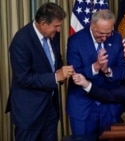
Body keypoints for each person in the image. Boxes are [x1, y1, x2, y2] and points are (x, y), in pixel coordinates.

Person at [5, 2, 74, 141]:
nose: (59, 30)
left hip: (50, 109)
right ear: (43, 23)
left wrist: (62, 73)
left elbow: (55, 60)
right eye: (56, 26)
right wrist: (55, 77)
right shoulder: (21, 41)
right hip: (29, 112)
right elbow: (23, 78)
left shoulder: (53, 34)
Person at [66, 9, 125, 138]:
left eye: (108, 33)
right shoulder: (75, 41)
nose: (105, 37)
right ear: (92, 25)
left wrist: (107, 70)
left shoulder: (116, 38)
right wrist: (96, 66)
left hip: (110, 107)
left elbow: (123, 70)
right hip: (83, 106)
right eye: (101, 33)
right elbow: (75, 75)